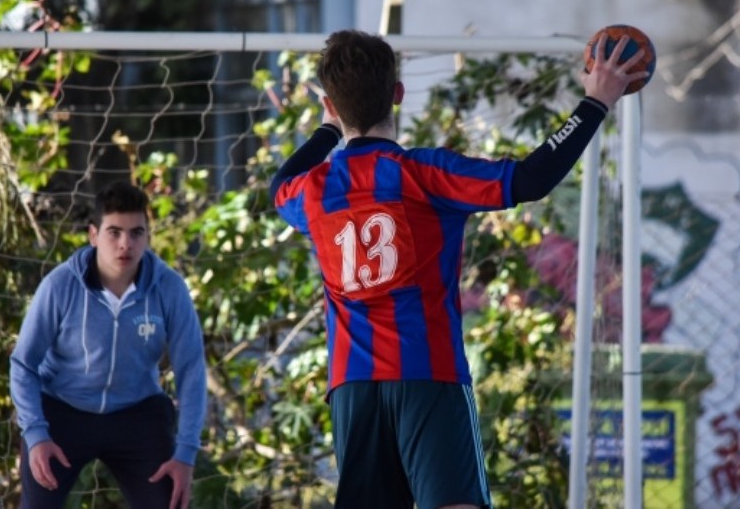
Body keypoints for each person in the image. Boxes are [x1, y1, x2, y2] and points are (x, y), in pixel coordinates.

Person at [269, 29, 647, 508]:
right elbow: (531, 179)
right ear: (398, 96)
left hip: (352, 388)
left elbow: (277, 184)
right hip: (427, 375)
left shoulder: (311, 191)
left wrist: (328, 128)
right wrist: (595, 101)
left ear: (333, 105)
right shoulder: (425, 174)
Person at [9, 180, 207, 509]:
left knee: (170, 503)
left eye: (136, 233)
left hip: (138, 413)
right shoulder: (60, 286)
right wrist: (36, 433)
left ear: (147, 236)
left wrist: (186, 452)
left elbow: (191, 370)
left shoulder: (169, 289)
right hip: (62, 411)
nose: (125, 244)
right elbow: (23, 364)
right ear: (93, 235)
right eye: (114, 232)